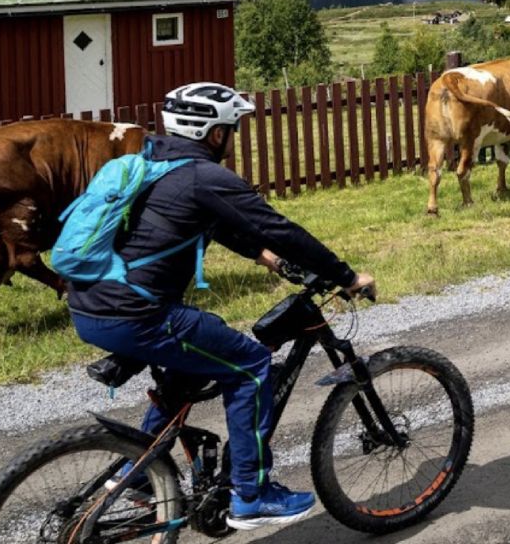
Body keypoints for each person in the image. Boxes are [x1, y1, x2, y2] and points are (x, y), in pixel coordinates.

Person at [67, 83, 375, 531]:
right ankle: (251, 494)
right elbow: (280, 228)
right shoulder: (205, 176)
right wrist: (346, 276)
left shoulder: (152, 161)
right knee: (251, 364)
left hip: (90, 308)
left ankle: (137, 473)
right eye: (233, 127)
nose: (234, 136)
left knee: (194, 360)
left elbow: (210, 220)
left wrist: (261, 255)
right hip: (138, 315)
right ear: (214, 133)